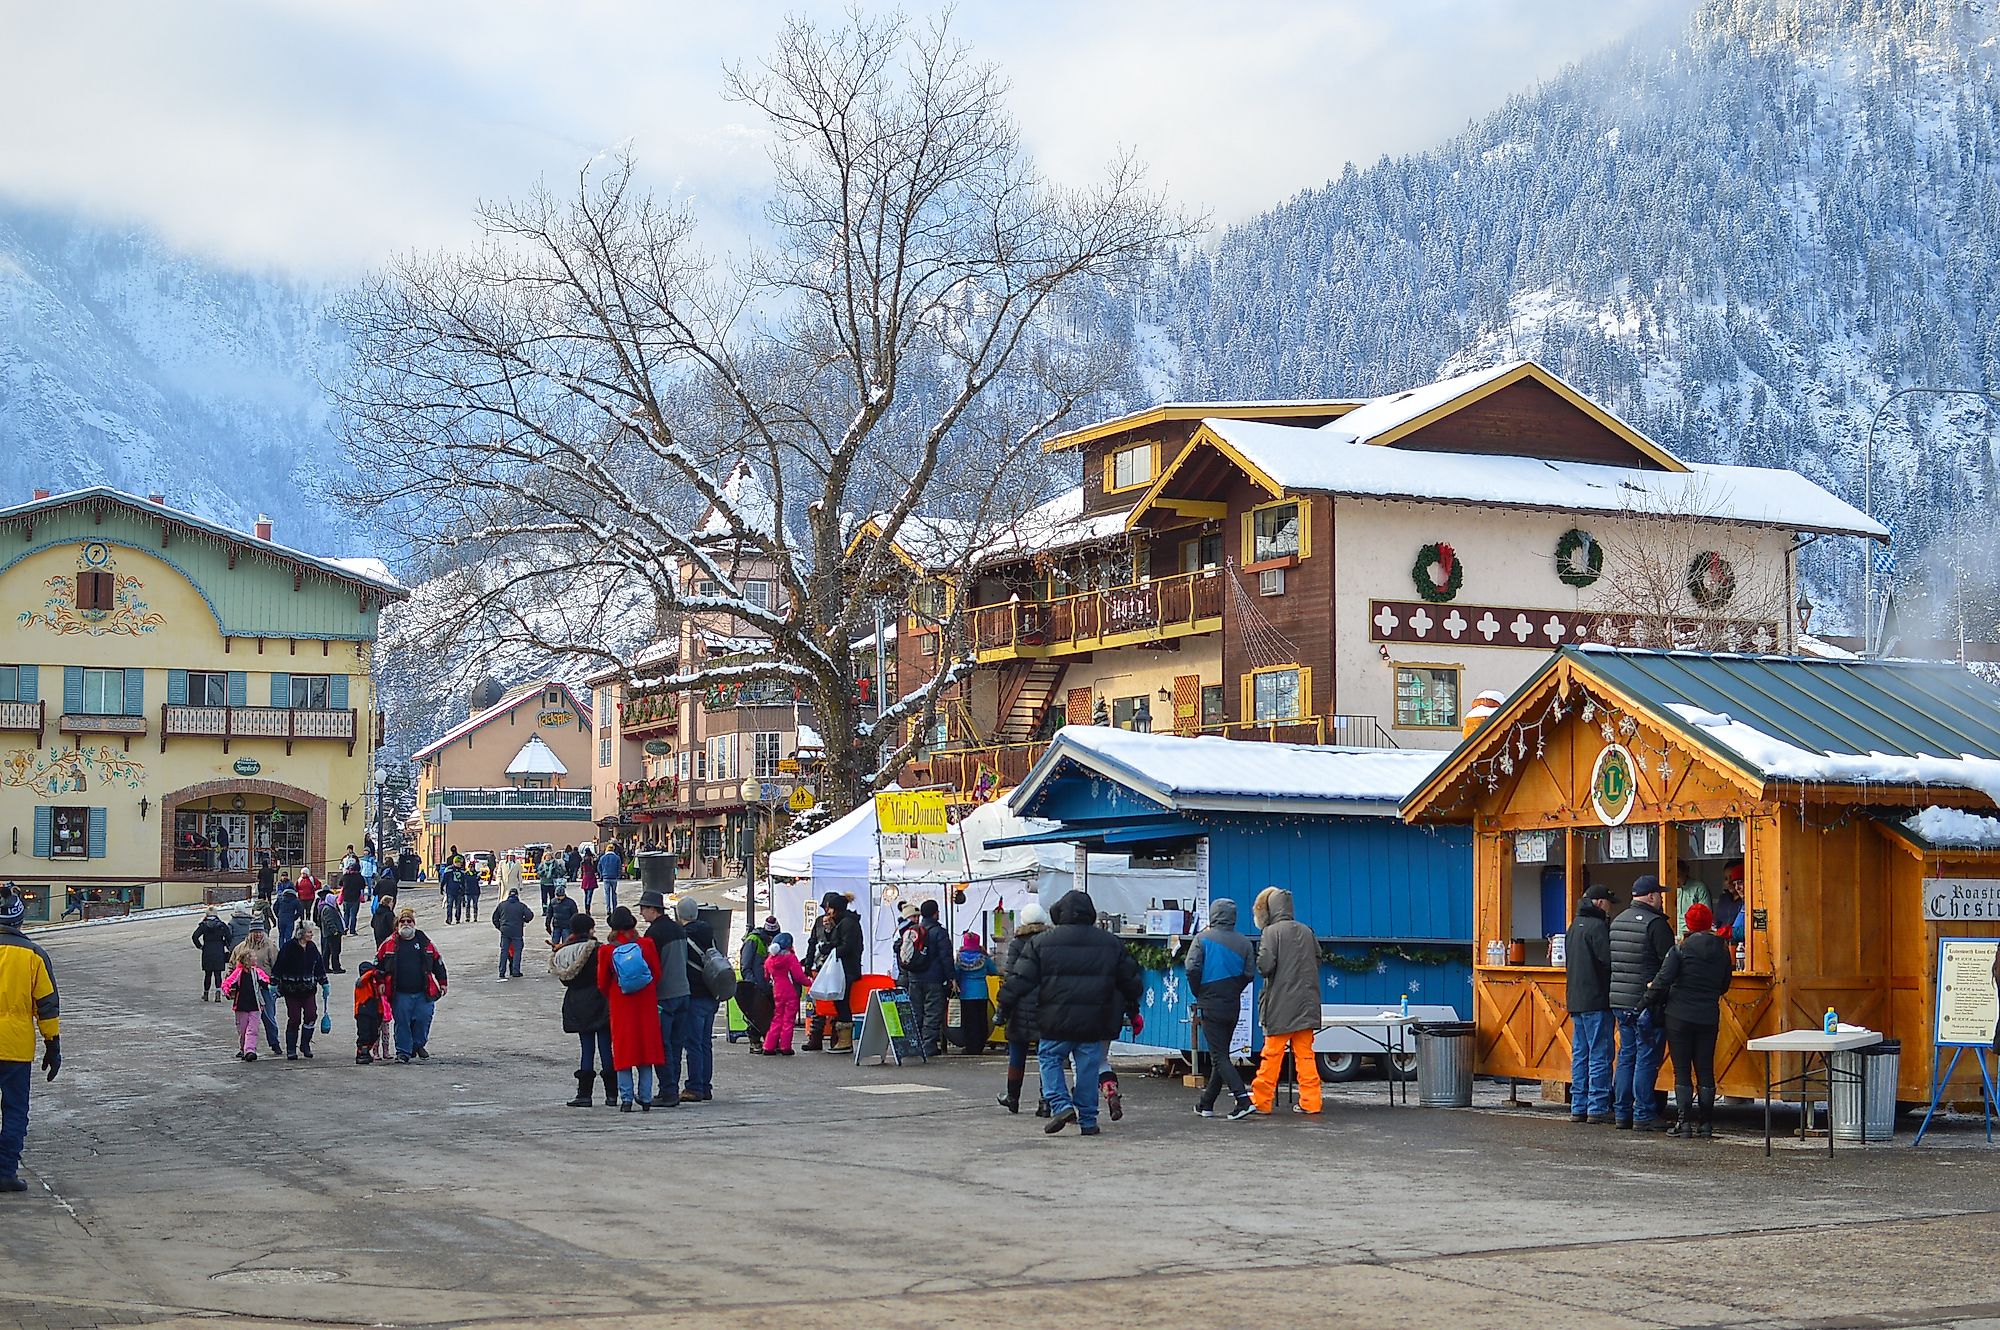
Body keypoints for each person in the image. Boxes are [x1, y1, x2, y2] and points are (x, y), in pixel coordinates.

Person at [998, 889, 1140, 1137]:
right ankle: (1088, 1121)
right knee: (1087, 1066)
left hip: (1055, 1017)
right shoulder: (1110, 943)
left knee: (1050, 1059)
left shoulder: (1042, 942)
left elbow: (1020, 980)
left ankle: (1061, 1104)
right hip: (1094, 1019)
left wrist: (1004, 1006)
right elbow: (1130, 982)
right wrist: (1132, 1008)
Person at [1646, 902, 1735, 1139]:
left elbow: (1662, 980)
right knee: (1705, 1069)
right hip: (1708, 1015)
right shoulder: (1722, 950)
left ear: (1689, 924)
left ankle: (1684, 1124)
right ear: (1709, 923)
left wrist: (1643, 1002)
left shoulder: (1680, 949)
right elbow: (1725, 985)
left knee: (1682, 1071)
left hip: (1678, 1016)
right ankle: (1706, 1124)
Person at [0, 885, 60, 1191]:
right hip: (15, 1048)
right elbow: (47, 1003)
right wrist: (53, 1044)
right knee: (14, 1109)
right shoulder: (33, 955)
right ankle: (5, 1171)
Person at [1248, 887, 1323, 1117]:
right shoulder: (1307, 931)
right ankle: (1311, 1102)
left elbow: (1265, 967)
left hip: (1280, 1006)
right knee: (1306, 1056)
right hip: (1307, 1005)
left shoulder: (1270, 932)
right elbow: (1318, 959)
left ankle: (1262, 1101)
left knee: (1272, 1055)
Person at [1609, 875, 1675, 1132]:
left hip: (1619, 1000)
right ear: (1650, 896)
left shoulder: (1617, 921)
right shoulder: (1656, 925)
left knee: (1626, 1056)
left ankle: (1621, 1112)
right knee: (1647, 1057)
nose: (1661, 899)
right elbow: (1669, 965)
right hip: (1646, 1002)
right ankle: (1644, 1112)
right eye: (1659, 894)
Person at [1186, 898, 1256, 1120]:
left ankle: (1243, 1100)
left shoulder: (1202, 939)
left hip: (1210, 1002)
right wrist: (1233, 989)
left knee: (1219, 1056)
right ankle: (1206, 1104)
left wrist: (1199, 992)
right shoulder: (1244, 943)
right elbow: (1249, 974)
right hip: (1233, 1004)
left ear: (1213, 914)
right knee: (1221, 1056)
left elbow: (1191, 968)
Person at [595, 906, 664, 1111]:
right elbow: (657, 974)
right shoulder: (646, 944)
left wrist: (615, 994)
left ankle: (626, 1099)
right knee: (646, 1050)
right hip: (646, 1003)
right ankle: (646, 1097)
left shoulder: (607, 950)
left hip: (621, 1003)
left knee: (624, 1052)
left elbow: (601, 982)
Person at [551, 913, 614, 1107]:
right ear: (589, 929)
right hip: (600, 1002)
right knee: (605, 1049)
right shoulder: (597, 950)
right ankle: (612, 1094)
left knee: (586, 1050)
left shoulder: (564, 952)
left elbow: (564, 980)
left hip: (577, 1004)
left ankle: (584, 1094)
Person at [1565, 884, 1615, 1124]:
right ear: (1598, 902)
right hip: (1597, 998)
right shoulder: (1598, 927)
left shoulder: (1573, 927)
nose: (1609, 907)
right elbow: (1608, 961)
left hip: (1576, 1000)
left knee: (1581, 1055)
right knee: (1600, 1055)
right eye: (1607, 902)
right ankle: (1597, 1107)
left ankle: (1578, 1105)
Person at [995, 902, 1050, 1114]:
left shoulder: (1017, 943)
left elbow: (1011, 975)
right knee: (1047, 1055)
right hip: (1046, 1002)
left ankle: (1013, 1097)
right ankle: (1045, 1100)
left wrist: (1004, 1005)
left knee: (1017, 1053)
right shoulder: (1050, 941)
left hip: (1020, 1004)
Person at [637, 890, 690, 1107]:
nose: (641, 913)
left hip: (665, 995)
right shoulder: (678, 929)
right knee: (676, 1045)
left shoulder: (653, 934)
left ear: (653, 909)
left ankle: (667, 1091)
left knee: (662, 1045)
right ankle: (672, 1088)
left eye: (643, 908)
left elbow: (649, 966)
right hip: (684, 992)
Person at [376, 908, 447, 1064]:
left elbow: (437, 962)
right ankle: (403, 1052)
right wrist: (380, 983)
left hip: (423, 992)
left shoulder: (425, 942)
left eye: (409, 921)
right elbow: (378, 965)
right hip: (400, 993)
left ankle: (417, 1045)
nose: (406, 924)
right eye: (403, 921)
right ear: (397, 925)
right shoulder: (388, 944)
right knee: (402, 1024)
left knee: (423, 1020)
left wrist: (442, 983)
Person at [803, 891, 863, 1052]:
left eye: (829, 908)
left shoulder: (848, 923)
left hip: (843, 969)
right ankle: (823, 1038)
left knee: (841, 1003)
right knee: (828, 1002)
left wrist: (830, 948)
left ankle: (842, 1040)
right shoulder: (835, 922)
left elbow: (847, 946)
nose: (827, 911)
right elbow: (816, 942)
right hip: (832, 968)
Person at [676, 897, 719, 1102]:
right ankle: (705, 1085)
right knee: (704, 1043)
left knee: (692, 1043)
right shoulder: (708, 933)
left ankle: (694, 1087)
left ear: (679, 915)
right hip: (711, 992)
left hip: (694, 994)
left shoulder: (683, 937)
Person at [897, 899, 953, 1058]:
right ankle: (928, 1045)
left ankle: (914, 1044)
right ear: (936, 913)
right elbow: (946, 957)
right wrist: (951, 977)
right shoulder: (939, 932)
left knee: (916, 1012)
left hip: (914, 978)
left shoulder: (915, 930)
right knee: (932, 1012)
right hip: (934, 979)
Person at [274, 921, 327, 1060]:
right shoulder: (288, 947)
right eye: (309, 932)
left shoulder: (312, 947)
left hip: (308, 989)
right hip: (291, 990)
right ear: (301, 933)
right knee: (294, 1018)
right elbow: (279, 966)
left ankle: (305, 1044)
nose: (311, 934)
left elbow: (319, 966)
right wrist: (274, 982)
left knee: (311, 1015)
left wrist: (324, 982)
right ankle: (291, 1048)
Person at [221, 937, 271, 1062]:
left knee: (253, 1029)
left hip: (255, 1005)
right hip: (241, 1005)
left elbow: (265, 980)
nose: (255, 959)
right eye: (252, 957)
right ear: (246, 960)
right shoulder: (238, 972)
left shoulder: (257, 972)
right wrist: (227, 991)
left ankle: (250, 1050)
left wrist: (267, 984)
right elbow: (228, 983)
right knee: (243, 1030)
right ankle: (244, 1048)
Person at [736, 914, 779, 1051]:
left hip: (769, 986)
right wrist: (752, 983)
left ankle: (769, 1039)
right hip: (756, 985)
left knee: (769, 1013)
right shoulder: (753, 940)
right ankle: (754, 1040)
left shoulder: (771, 942)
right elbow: (745, 965)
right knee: (755, 1014)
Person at [763, 932, 808, 1055]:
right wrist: (810, 983)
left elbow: (766, 977)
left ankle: (768, 1046)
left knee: (777, 1018)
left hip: (777, 991)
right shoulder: (790, 958)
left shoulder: (769, 961)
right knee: (788, 1019)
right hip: (790, 991)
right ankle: (785, 1046)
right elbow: (799, 977)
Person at [242, 920, 282, 1054]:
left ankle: (274, 1042)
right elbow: (234, 964)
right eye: (255, 932)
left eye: (260, 932)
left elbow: (277, 965)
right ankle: (245, 1047)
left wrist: (276, 984)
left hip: (266, 986)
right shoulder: (243, 947)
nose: (258, 935)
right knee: (245, 1019)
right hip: (247, 987)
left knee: (268, 1016)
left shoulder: (270, 946)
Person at [955, 931, 998, 1054]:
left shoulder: (959, 958)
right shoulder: (984, 958)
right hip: (981, 992)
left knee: (969, 1021)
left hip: (966, 992)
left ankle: (970, 1046)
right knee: (981, 1020)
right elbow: (993, 971)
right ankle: (980, 1045)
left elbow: (956, 973)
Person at [353, 961, 393, 1065]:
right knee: (364, 1034)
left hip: (374, 1012)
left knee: (374, 1034)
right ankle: (362, 1052)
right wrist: (373, 972)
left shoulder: (375, 983)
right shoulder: (361, 983)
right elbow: (367, 976)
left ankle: (366, 1051)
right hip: (363, 1012)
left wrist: (381, 1013)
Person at [492, 887, 535, 980]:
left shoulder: (502, 905)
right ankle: (516, 971)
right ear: (517, 895)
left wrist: (500, 927)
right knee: (517, 951)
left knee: (504, 951)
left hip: (505, 931)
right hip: (517, 931)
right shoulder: (521, 905)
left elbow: (494, 918)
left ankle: (502, 972)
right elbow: (530, 915)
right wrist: (524, 920)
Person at [192, 907, 234, 1001]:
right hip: (219, 950)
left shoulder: (203, 925)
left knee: (208, 973)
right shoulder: (221, 925)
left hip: (207, 950)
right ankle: (218, 993)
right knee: (218, 973)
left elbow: (195, 936)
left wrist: (200, 946)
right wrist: (224, 944)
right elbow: (229, 937)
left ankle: (206, 993)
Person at [316, 889, 346, 974]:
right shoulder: (328, 909)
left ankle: (327, 967)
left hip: (332, 933)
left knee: (329, 951)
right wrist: (335, 931)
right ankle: (336, 968)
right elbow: (329, 922)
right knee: (334, 951)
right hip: (332, 934)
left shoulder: (331, 908)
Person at [339, 855, 367, 935]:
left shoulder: (345, 876)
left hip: (346, 898)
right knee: (353, 915)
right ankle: (352, 930)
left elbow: (340, 884)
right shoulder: (359, 877)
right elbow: (363, 886)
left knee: (346, 914)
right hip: (355, 898)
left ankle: (344, 928)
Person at [596, 843, 623, 918]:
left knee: (607, 894)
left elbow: (599, 867)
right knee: (614, 893)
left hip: (606, 877)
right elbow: (619, 867)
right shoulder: (617, 858)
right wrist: (618, 875)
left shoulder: (603, 858)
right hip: (614, 877)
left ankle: (608, 909)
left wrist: (601, 874)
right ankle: (615, 908)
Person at [274, 880, 304, 947]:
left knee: (281, 935)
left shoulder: (280, 898)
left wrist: (278, 915)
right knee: (288, 936)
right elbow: (300, 910)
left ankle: (281, 949)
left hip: (281, 918)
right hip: (290, 919)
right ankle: (287, 949)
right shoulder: (295, 900)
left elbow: (274, 907)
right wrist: (295, 917)